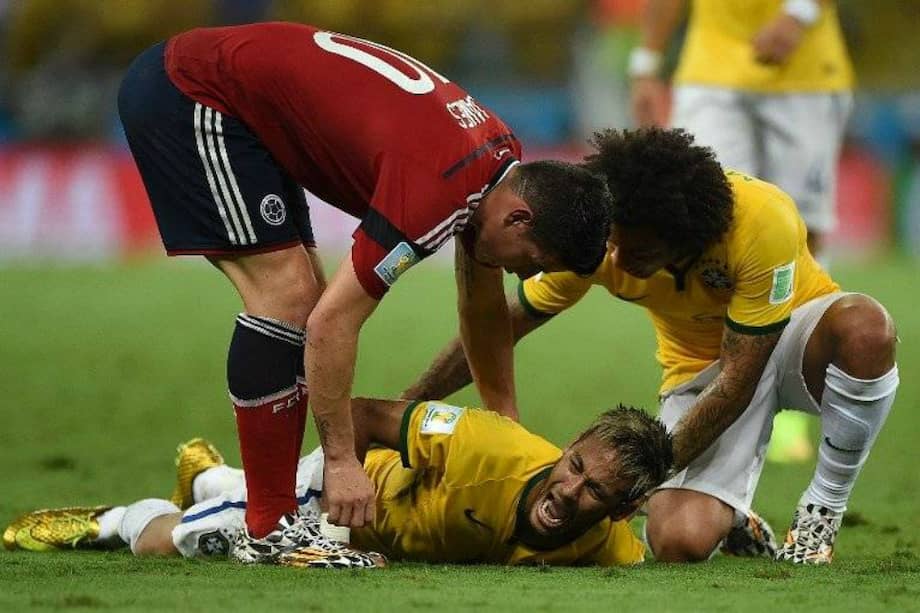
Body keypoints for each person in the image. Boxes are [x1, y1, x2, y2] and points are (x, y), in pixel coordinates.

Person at [117, 22, 613, 563]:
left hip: (245, 109)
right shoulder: (438, 191)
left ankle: (269, 512)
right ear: (520, 220)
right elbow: (332, 324)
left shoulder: (497, 164)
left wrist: (506, 426)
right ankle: (270, 528)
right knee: (288, 298)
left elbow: (482, 306)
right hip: (191, 91)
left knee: (301, 300)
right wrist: (341, 462)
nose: (523, 277)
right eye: (534, 263)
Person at [406, 128, 899, 565]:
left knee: (866, 330)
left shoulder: (761, 220)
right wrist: (410, 403)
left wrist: (642, 478)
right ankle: (733, 520)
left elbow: (739, 383)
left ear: (685, 235)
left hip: (793, 339)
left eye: (637, 249)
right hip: (700, 372)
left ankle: (823, 506)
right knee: (677, 543)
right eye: (615, 242)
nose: (617, 259)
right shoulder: (602, 243)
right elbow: (501, 328)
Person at [4, 399, 673, 568]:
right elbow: (360, 412)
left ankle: (209, 475)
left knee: (227, 502)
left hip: (366, 530)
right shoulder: (485, 443)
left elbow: (659, 553)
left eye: (594, 491)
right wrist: (329, 522)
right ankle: (116, 518)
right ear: (568, 447)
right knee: (166, 545)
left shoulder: (611, 549)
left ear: (622, 509)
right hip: (337, 497)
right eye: (574, 464)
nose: (569, 489)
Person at [627, 0, 855, 462]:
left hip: (806, 70)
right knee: (701, 221)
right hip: (710, 71)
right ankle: (714, 393)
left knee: (803, 234)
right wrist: (647, 62)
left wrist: (798, 15)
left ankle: (793, 398)